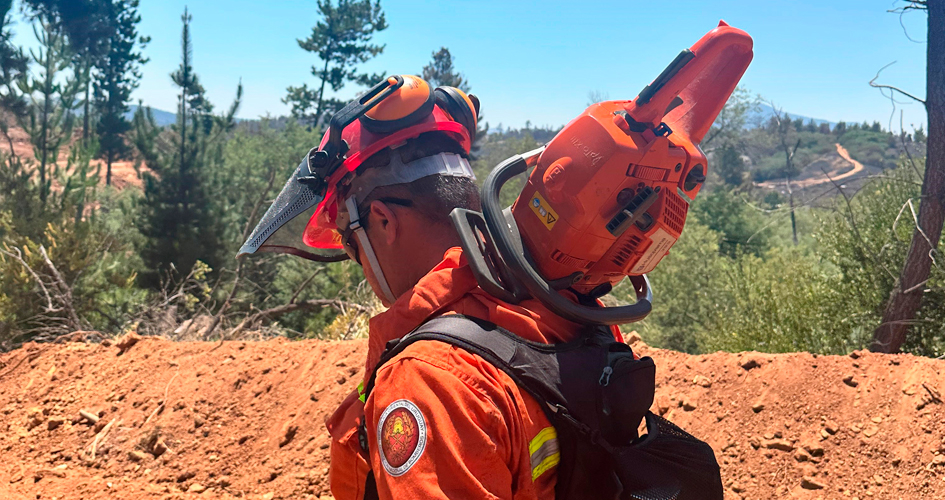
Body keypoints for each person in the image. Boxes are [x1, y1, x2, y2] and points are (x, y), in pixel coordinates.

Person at [237, 74, 625, 500]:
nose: (357, 261)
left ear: (384, 222)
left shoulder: (428, 380)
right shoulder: (565, 309)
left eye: (350, 242)